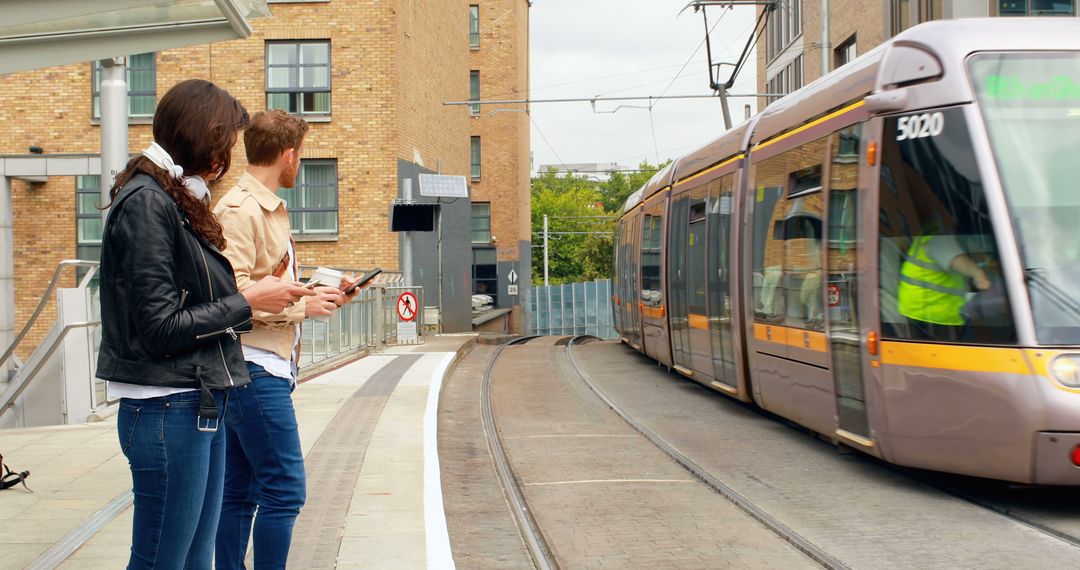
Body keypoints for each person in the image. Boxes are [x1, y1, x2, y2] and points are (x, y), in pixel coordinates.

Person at [96, 79, 314, 570]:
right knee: (163, 560)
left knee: (194, 558)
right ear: (204, 136)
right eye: (227, 142)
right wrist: (248, 299)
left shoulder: (169, 197)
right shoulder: (148, 202)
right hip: (166, 409)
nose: (229, 156)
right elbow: (159, 325)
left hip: (194, 401)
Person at [213, 109, 360, 569]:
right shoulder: (239, 211)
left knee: (240, 492)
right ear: (289, 155)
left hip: (255, 365)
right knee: (284, 489)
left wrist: (320, 294)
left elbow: (267, 283)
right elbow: (228, 295)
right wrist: (303, 307)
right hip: (252, 368)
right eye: (302, 155)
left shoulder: (265, 208)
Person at [897, 233, 990, 338]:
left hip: (920, 312)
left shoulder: (926, 239)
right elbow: (957, 261)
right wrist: (978, 274)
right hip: (931, 316)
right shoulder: (939, 238)